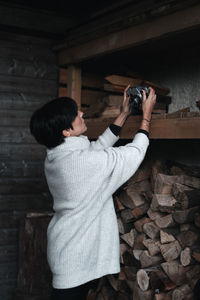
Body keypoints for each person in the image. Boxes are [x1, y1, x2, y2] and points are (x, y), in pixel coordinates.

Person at [30, 85, 156, 300]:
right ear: (66, 131)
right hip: (74, 256)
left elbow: (98, 148)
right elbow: (132, 153)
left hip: (69, 248)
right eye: (75, 114)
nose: (81, 113)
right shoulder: (80, 164)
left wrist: (124, 114)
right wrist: (146, 116)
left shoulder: (58, 155)